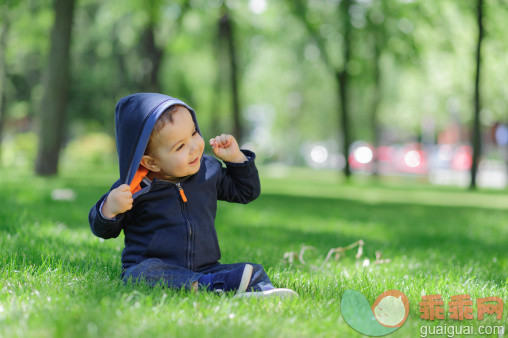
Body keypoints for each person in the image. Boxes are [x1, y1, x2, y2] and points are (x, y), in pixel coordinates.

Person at [89, 93, 297, 298]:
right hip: (158, 269)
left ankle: (250, 291)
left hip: (205, 268)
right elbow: (103, 230)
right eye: (180, 146)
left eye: (194, 133)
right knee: (140, 274)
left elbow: (246, 192)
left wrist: (236, 159)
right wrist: (109, 209)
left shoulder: (208, 171)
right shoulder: (132, 189)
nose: (194, 147)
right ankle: (212, 287)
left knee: (251, 269)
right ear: (151, 162)